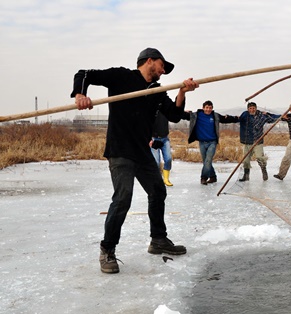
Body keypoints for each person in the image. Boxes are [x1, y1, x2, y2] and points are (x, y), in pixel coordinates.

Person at [72, 47, 199, 274]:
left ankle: (158, 239)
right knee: (123, 198)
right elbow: (84, 74)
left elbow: (174, 114)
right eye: (162, 65)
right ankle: (107, 249)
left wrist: (182, 92)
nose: (163, 71)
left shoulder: (157, 91)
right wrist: (80, 95)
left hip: (141, 151)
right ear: (149, 61)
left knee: (158, 191)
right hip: (120, 150)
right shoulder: (122, 76)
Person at [183, 100, 240, 185]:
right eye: (206, 107)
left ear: (212, 108)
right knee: (206, 161)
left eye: (210, 108)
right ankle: (213, 177)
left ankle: (203, 178)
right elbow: (182, 116)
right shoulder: (196, 115)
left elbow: (226, 119)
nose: (208, 109)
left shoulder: (215, 116)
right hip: (202, 142)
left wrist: (237, 118)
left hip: (212, 142)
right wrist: (183, 111)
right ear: (203, 108)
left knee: (208, 160)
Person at [238, 102, 280, 181]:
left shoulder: (261, 115)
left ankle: (264, 170)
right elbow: (238, 119)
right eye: (250, 108)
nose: (252, 110)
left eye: (253, 108)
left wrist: (281, 116)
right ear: (248, 109)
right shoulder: (245, 115)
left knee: (259, 157)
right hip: (247, 141)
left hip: (258, 141)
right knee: (246, 160)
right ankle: (246, 175)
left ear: (256, 108)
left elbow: (272, 118)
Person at [151, 111, 174, 186]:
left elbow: (175, 113)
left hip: (165, 139)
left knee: (168, 159)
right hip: (154, 139)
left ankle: (166, 179)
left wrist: (182, 112)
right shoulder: (150, 109)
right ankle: (157, 180)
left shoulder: (165, 109)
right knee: (156, 162)